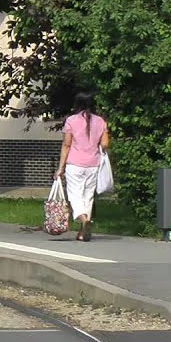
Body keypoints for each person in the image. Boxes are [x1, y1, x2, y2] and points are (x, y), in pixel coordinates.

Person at [55, 91, 110, 241]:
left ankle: (84, 220)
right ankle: (82, 232)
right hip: (93, 164)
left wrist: (60, 167)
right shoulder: (100, 121)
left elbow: (67, 145)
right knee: (88, 197)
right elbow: (105, 144)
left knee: (75, 196)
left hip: (75, 164)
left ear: (77, 104)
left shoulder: (71, 121)